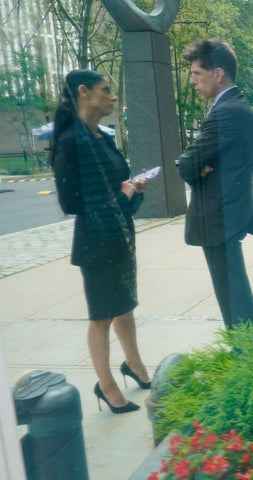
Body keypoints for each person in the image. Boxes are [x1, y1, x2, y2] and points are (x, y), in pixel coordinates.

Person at [51, 69, 153, 414]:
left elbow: (118, 186)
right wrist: (121, 197)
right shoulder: (69, 141)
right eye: (106, 90)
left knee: (125, 306)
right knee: (102, 317)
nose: (113, 97)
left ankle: (134, 365)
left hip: (119, 236)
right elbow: (72, 204)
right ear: (84, 93)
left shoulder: (103, 138)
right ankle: (106, 385)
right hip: (95, 243)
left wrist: (132, 189)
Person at [177, 39, 253, 329]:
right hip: (224, 215)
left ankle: (247, 354)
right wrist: (201, 167)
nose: (192, 81)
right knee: (233, 292)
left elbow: (187, 164)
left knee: (233, 296)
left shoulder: (227, 111)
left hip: (220, 216)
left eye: (197, 73)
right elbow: (194, 163)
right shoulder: (231, 107)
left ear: (218, 73)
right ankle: (246, 351)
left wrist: (199, 169)